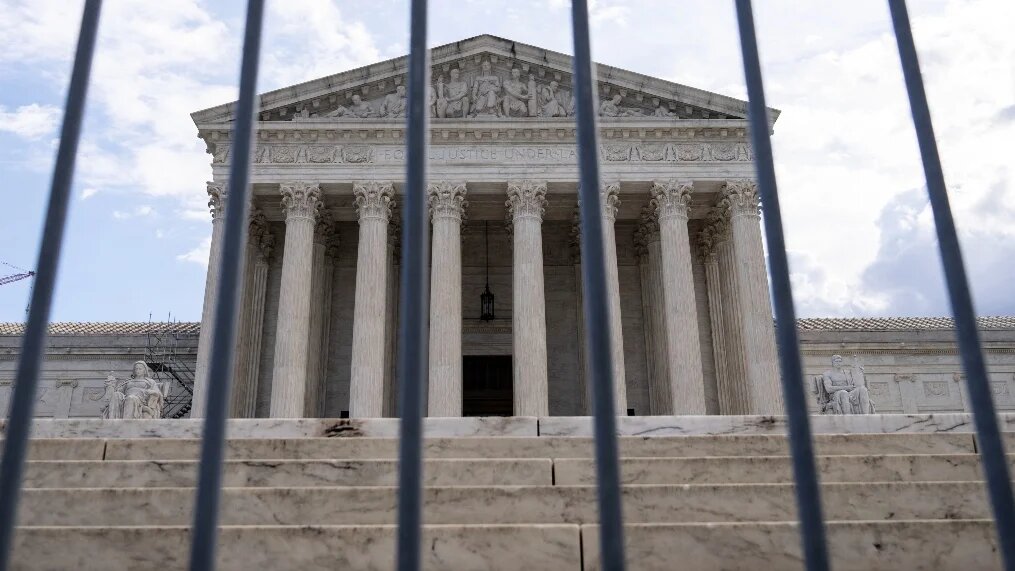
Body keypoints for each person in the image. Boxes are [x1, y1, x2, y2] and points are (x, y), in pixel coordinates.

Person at [102, 361, 169, 419]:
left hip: (140, 400)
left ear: (144, 370)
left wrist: (150, 392)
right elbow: (119, 391)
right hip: (126, 398)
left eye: (140, 369)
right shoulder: (128, 381)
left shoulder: (150, 382)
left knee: (130, 398)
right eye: (136, 369)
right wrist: (111, 387)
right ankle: (112, 422)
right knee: (116, 395)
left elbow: (158, 393)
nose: (138, 370)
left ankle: (126, 423)